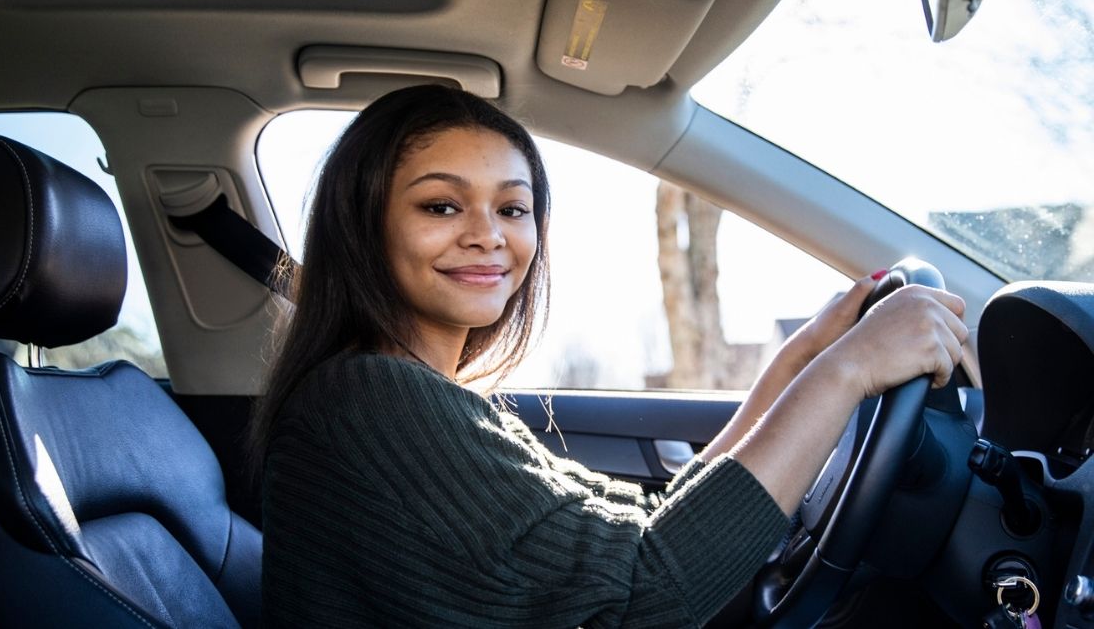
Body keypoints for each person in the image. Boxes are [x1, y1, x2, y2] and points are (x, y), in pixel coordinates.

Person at [252, 84, 968, 627]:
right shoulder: (370, 401)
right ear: (362, 227)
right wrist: (848, 372)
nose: (488, 236)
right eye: (441, 206)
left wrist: (802, 358)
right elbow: (646, 591)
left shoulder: (420, 395)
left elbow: (641, 521)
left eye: (512, 208)